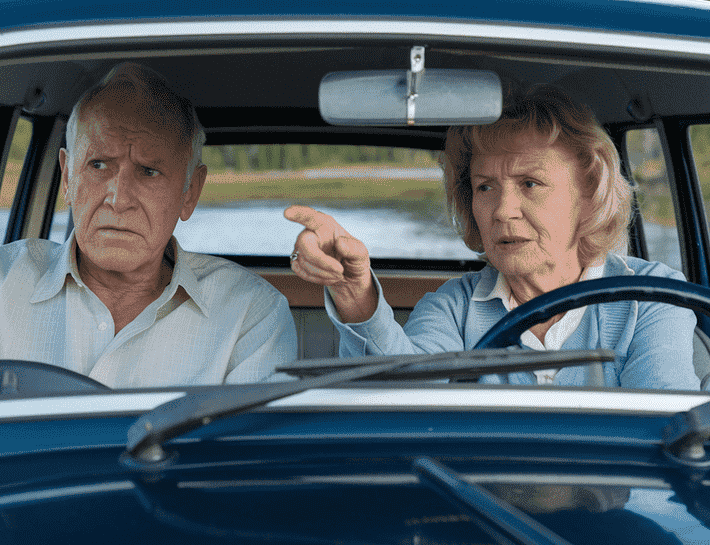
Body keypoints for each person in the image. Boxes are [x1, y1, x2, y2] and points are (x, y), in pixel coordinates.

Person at [285, 85, 700, 390]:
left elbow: (666, 439)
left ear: (589, 194)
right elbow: (403, 396)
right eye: (485, 187)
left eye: (530, 184)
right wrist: (353, 290)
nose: (502, 210)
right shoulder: (454, 308)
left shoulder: (651, 298)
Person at [0, 62, 296, 395]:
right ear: (67, 177)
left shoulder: (251, 314)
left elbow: (249, 454)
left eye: (148, 171)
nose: (118, 198)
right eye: (98, 164)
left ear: (189, 193)